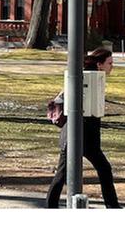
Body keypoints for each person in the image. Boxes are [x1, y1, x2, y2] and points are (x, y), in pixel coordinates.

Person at [46, 47, 121, 209]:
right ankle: (51, 206)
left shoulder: (94, 78)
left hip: (86, 135)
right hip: (76, 134)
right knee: (63, 173)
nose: (112, 66)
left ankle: (112, 205)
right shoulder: (85, 78)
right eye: (110, 63)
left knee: (103, 169)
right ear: (99, 65)